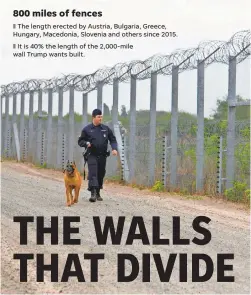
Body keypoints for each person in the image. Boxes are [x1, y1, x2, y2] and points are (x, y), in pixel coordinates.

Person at [78, 108, 118, 202]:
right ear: (93, 117)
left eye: (101, 117)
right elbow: (80, 141)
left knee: (100, 173)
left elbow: (112, 139)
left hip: (102, 155)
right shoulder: (87, 129)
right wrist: (87, 143)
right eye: (98, 117)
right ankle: (93, 193)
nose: (100, 118)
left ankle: (98, 191)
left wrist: (114, 148)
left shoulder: (105, 129)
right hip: (92, 154)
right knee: (93, 172)